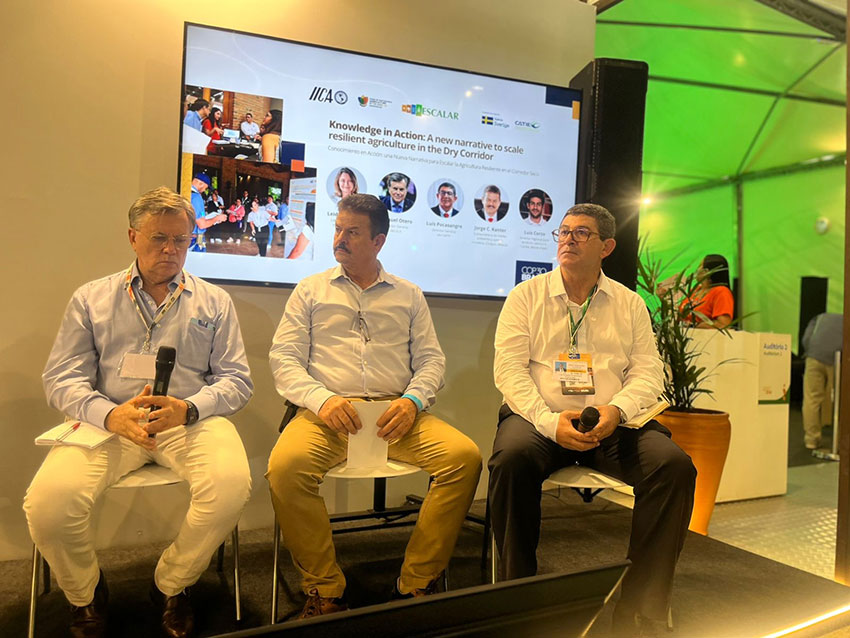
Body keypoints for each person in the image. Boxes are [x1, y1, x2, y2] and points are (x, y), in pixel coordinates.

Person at [23, 186, 253, 638]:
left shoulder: (214, 302)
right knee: (48, 505)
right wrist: (111, 415)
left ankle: (171, 585)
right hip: (110, 423)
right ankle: (86, 594)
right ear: (133, 237)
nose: (170, 249)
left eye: (181, 240)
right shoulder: (91, 298)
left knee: (230, 486)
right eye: (158, 238)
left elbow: (236, 380)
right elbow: (62, 379)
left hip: (186, 422)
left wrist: (189, 408)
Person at [268, 193, 481, 619]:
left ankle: (416, 582)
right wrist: (322, 400)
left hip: (395, 414)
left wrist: (413, 401)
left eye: (352, 232)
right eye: (338, 228)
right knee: (285, 469)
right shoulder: (310, 290)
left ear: (378, 241)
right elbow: (284, 359)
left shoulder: (408, 294)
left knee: (464, 458)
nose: (340, 238)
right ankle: (325, 589)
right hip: (327, 414)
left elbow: (431, 361)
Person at [488, 203, 696, 636]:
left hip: (612, 422)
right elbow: (508, 371)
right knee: (510, 461)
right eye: (563, 232)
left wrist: (615, 411)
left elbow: (648, 372)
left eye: (581, 233)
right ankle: (515, 601)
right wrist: (549, 422)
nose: (568, 239)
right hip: (540, 420)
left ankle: (639, 609)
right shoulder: (525, 296)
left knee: (674, 467)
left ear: (607, 247)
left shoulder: (630, 304)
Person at [801, 312, 843, 449]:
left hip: (813, 357)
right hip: (836, 360)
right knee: (839, 400)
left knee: (811, 399)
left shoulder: (820, 317)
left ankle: (811, 439)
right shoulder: (846, 320)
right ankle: (839, 439)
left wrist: (812, 351)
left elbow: (806, 338)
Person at [680, 254, 734, 329]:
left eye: (699, 266)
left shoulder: (721, 292)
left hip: (703, 335)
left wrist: (695, 326)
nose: (697, 269)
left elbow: (723, 324)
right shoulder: (696, 289)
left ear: (706, 271)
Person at [188, 174, 225, 253]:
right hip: (195, 238)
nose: (205, 190)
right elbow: (202, 225)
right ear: (201, 183)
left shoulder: (185, 193)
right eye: (205, 188)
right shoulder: (196, 197)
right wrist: (217, 218)